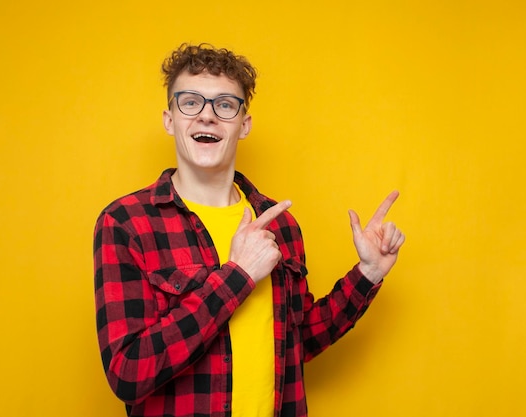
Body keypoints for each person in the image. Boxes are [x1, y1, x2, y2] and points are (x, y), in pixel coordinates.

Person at [93, 43, 405, 417]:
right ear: (169, 119)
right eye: (190, 102)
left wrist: (368, 273)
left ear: (244, 124)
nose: (207, 116)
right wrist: (237, 277)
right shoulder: (127, 222)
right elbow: (128, 373)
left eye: (225, 105)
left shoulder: (279, 224)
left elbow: (299, 340)